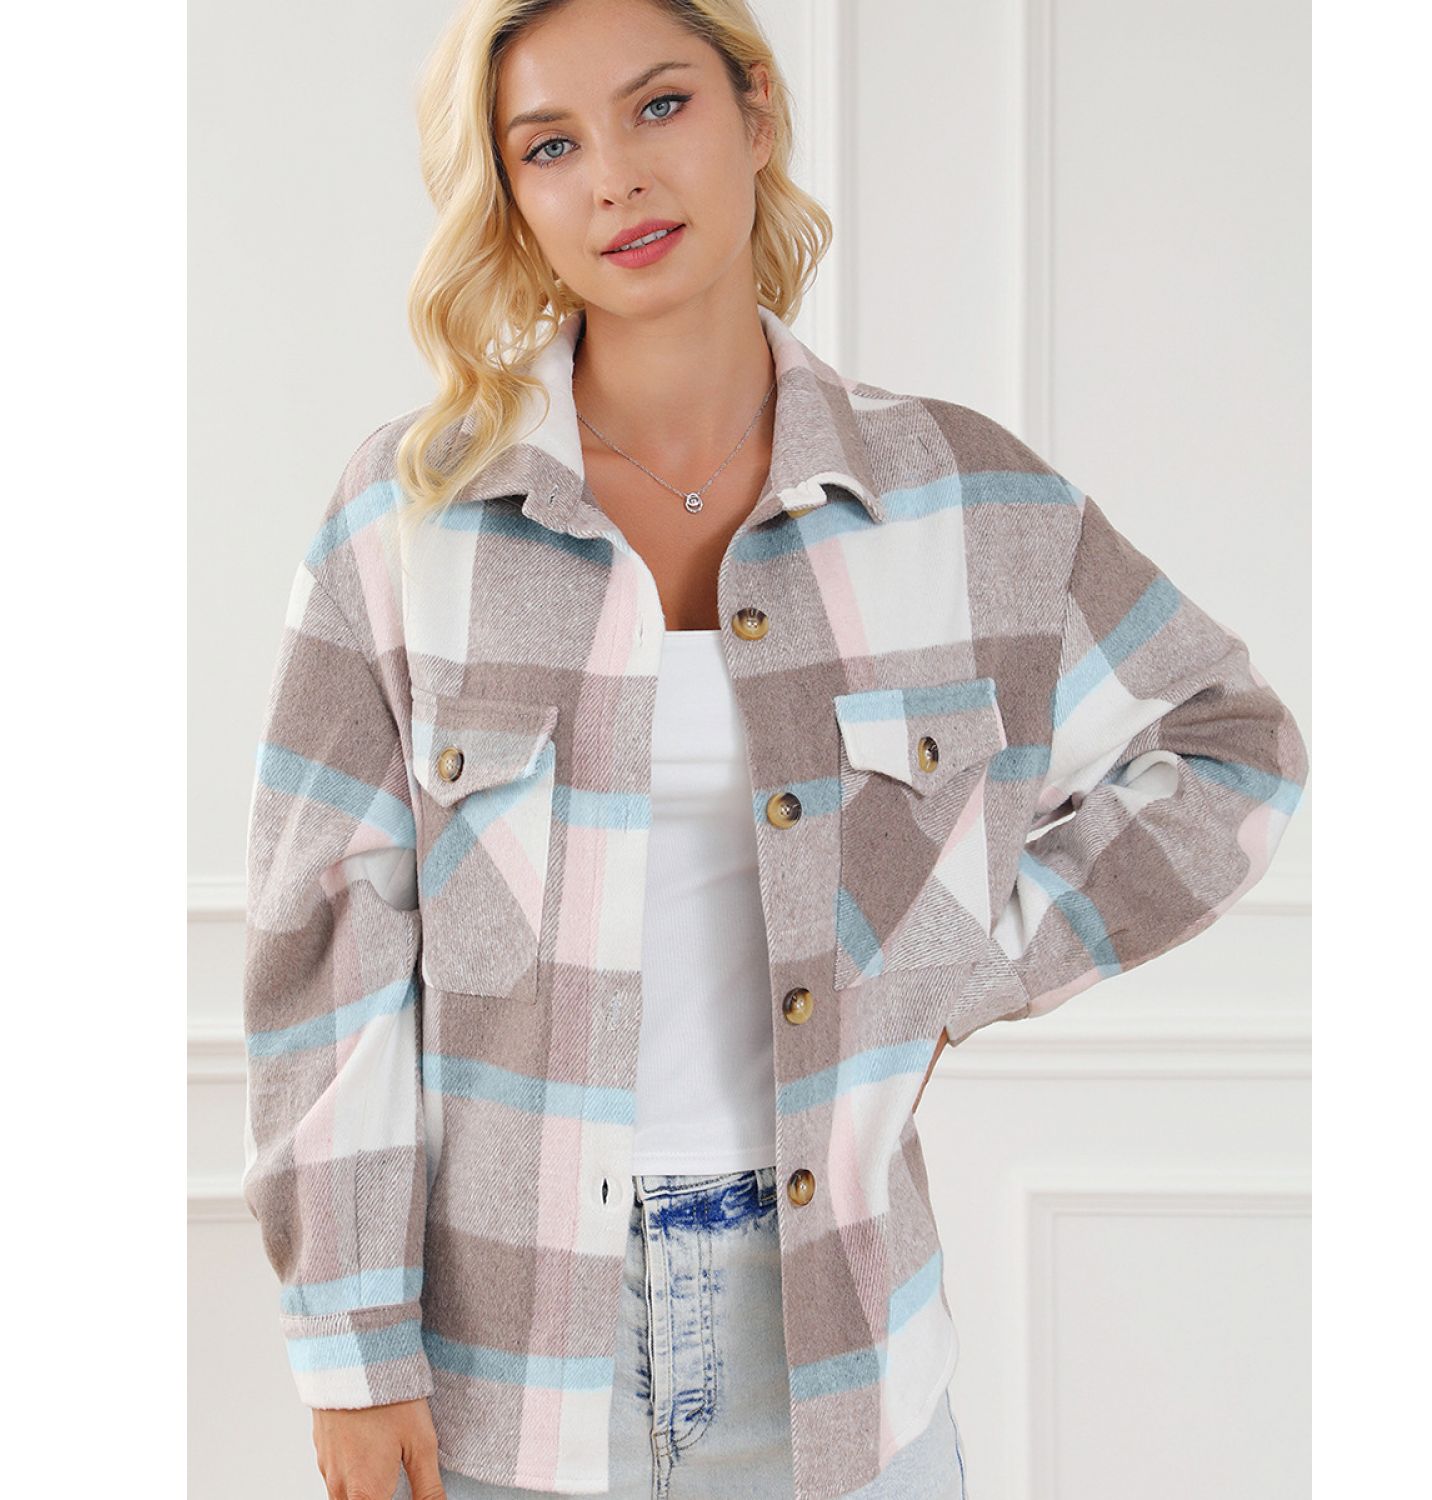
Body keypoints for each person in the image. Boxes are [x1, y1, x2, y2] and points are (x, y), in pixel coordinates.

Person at [239, 0, 1311, 1496]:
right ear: (512, 200)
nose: (615, 176)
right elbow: (329, 943)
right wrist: (351, 1353)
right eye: (550, 146)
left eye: (659, 106)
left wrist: (959, 957)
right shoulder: (408, 517)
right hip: (505, 1363)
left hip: (840, 1349)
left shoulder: (962, 501)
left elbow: (1230, 748)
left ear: (754, 114)